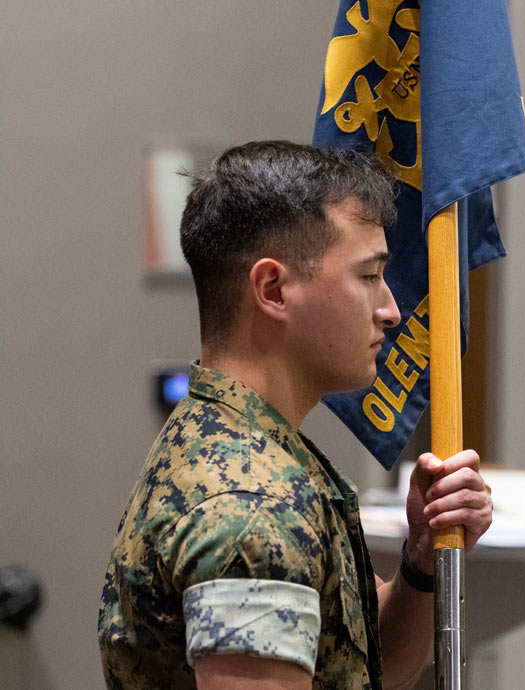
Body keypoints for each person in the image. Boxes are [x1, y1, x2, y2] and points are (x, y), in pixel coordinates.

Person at [98, 141, 493, 690]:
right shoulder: (250, 507)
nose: (391, 310)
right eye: (368, 276)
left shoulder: (251, 444)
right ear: (273, 289)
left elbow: (362, 667)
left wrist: (421, 562)